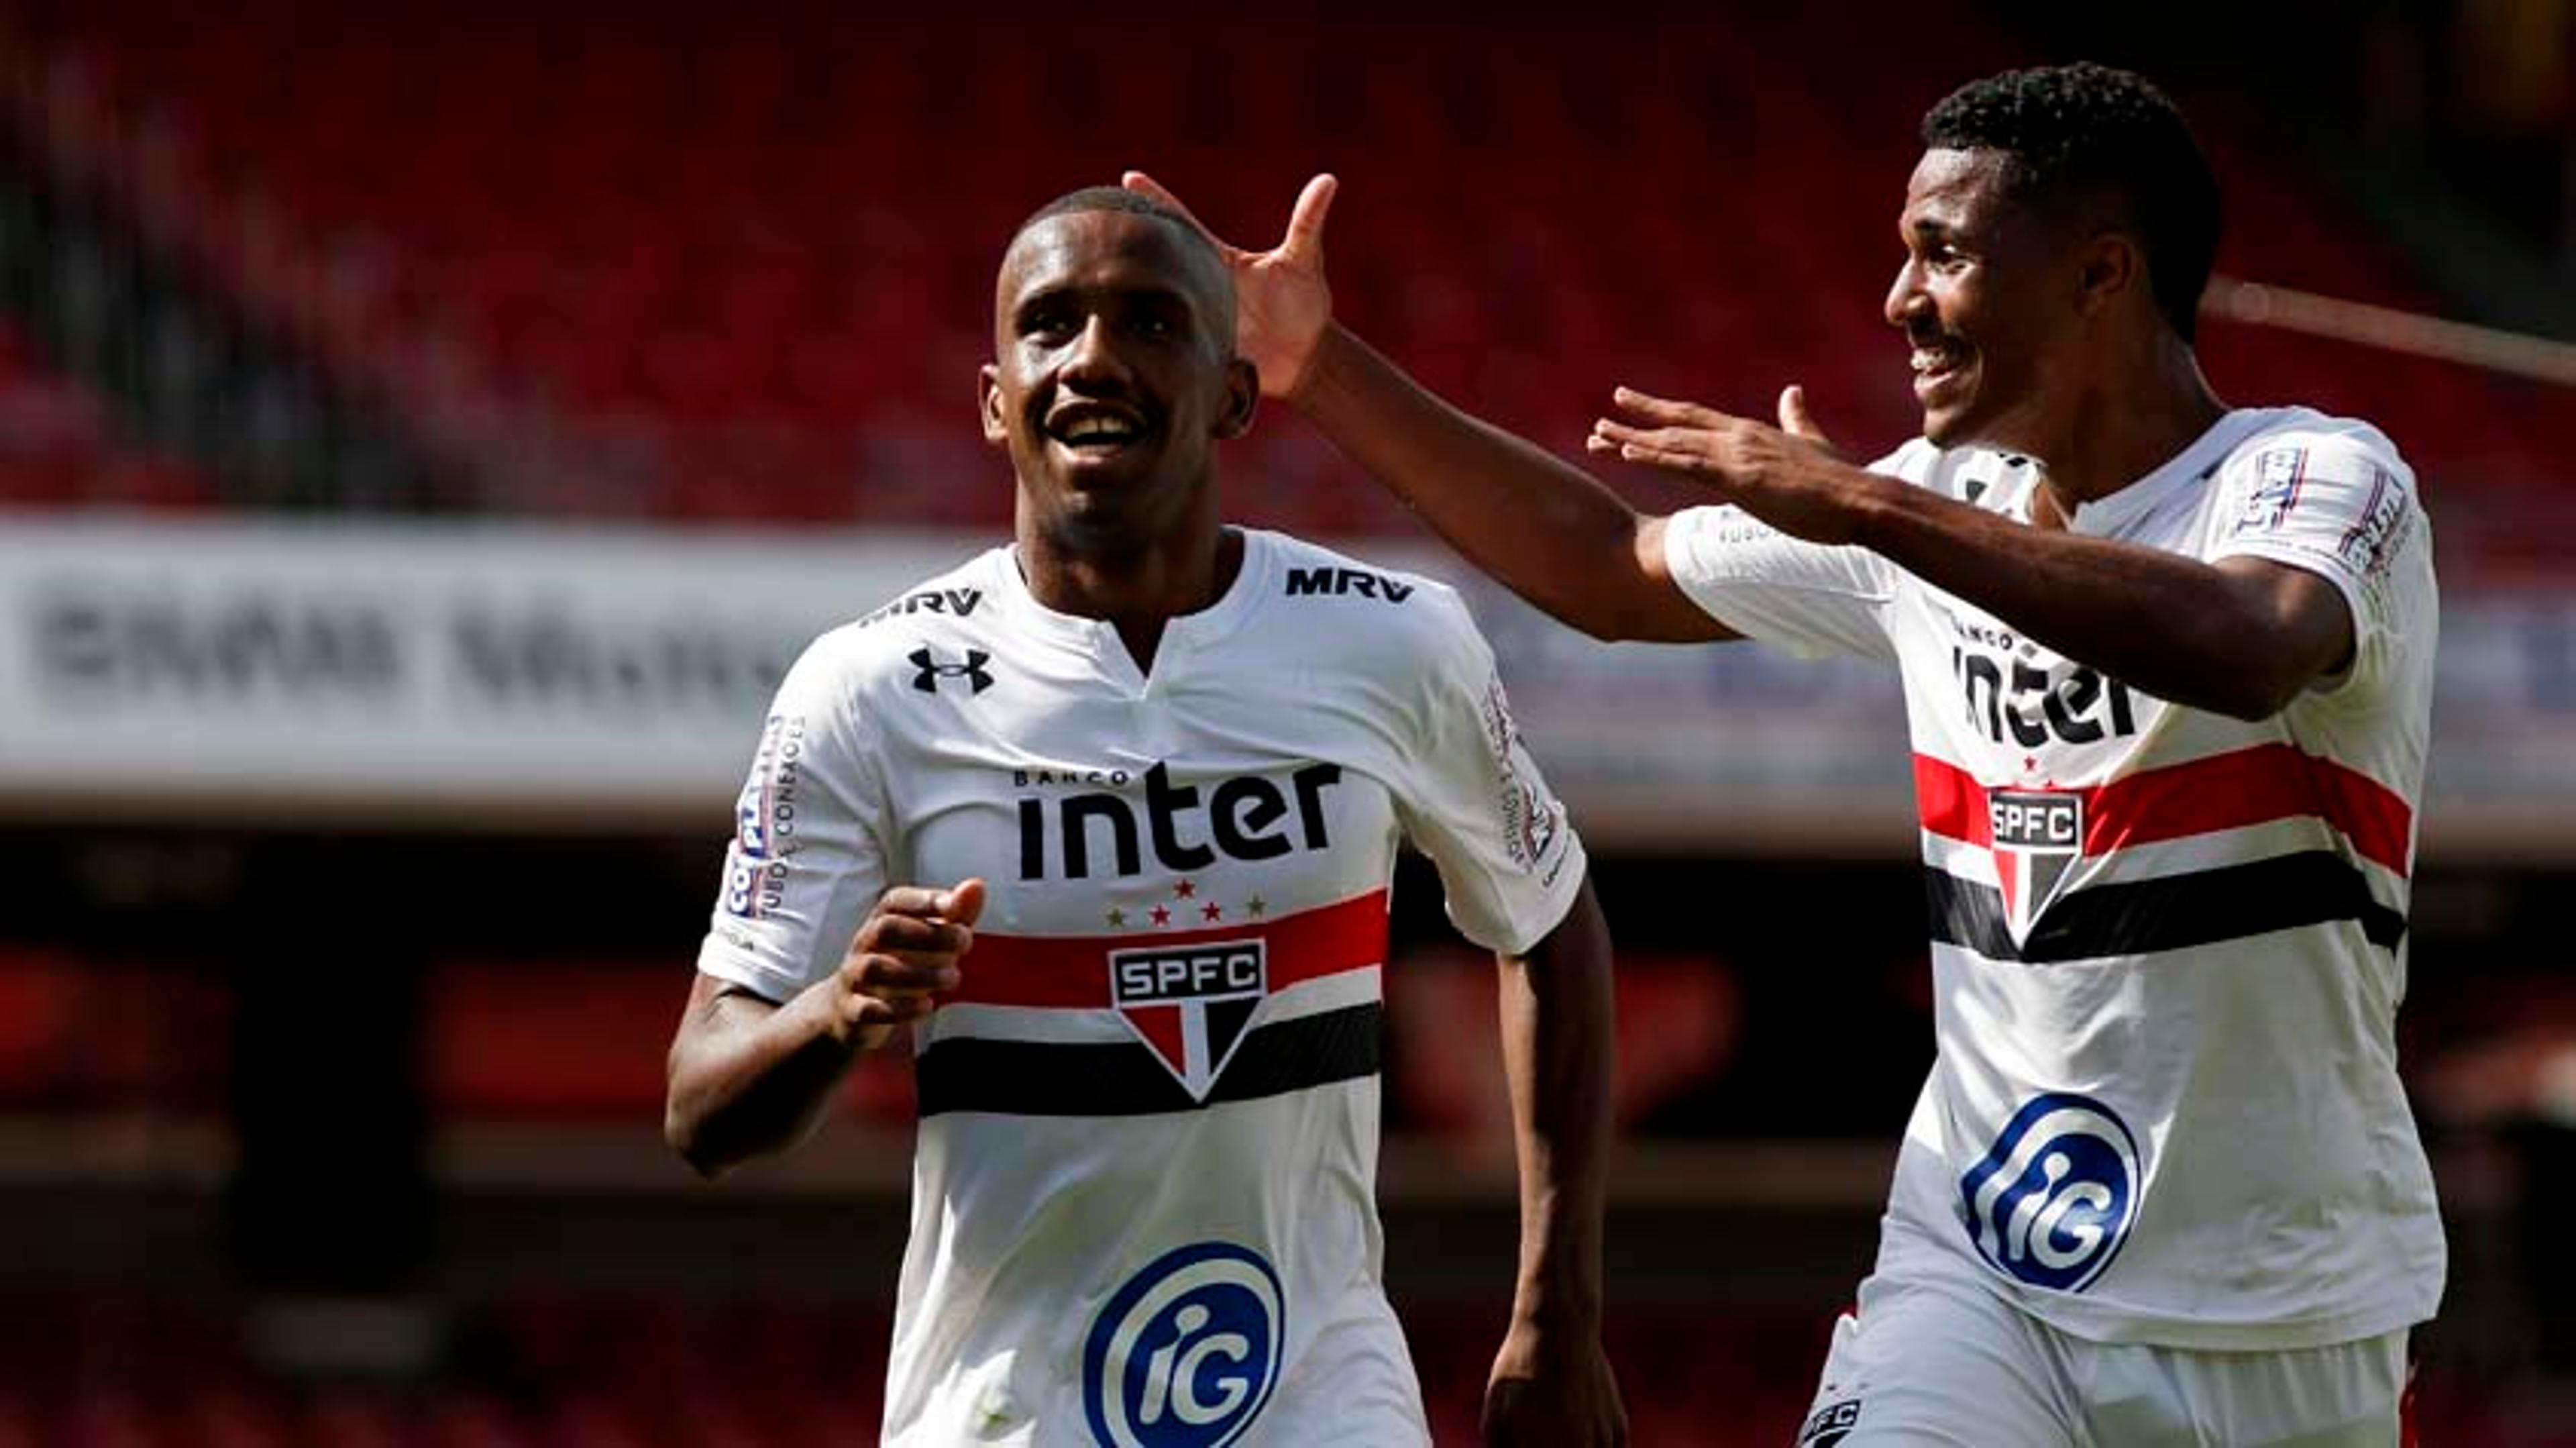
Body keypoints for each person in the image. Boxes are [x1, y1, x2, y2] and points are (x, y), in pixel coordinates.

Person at [1132, 59, 2440, 1448]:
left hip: (2293, 1302)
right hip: (1984, 1275)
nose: (1899, 302)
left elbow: (2249, 641)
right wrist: (1320, 369)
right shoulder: (1931, 505)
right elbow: (1607, 565)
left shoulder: (2310, 475)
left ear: (2100, 275)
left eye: (1941, 256)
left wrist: (1872, 510)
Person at [662, 187, 1626, 1447]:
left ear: (1233, 394)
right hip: (1004, 1412)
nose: (1095, 358)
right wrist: (837, 1010)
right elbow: (701, 1106)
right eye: (1050, 324)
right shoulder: (868, 689)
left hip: (1321, 1394)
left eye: (1152, 323)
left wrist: (1558, 1311)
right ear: (996, 397)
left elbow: (1551, 923)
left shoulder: (1391, 641)